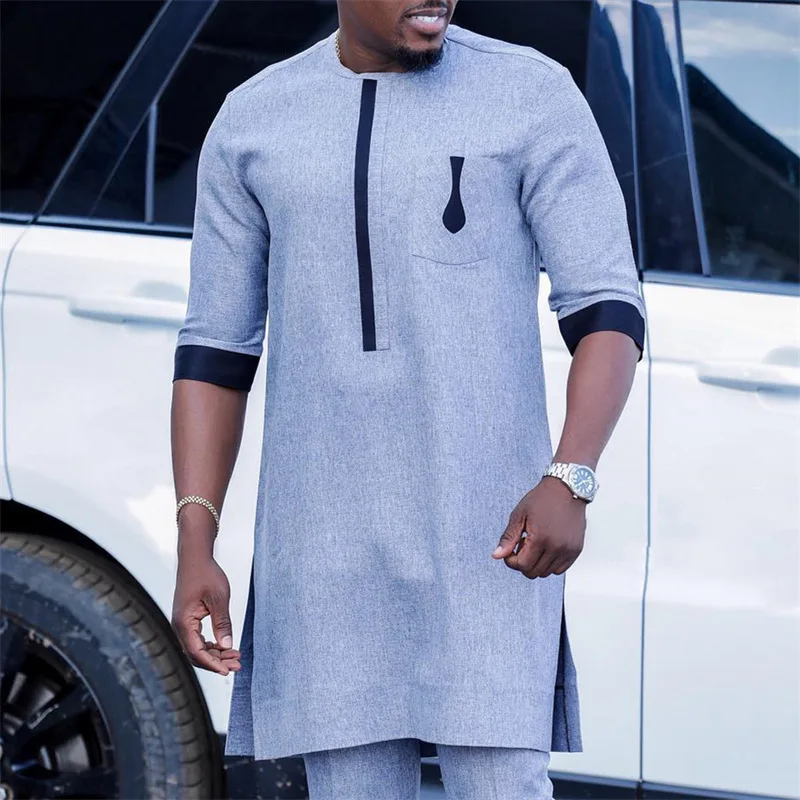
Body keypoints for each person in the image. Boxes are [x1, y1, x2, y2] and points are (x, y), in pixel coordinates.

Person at [169, 1, 646, 797]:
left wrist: (572, 476)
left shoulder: (530, 94)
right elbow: (216, 348)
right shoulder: (253, 120)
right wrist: (195, 540)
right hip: (321, 554)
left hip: (492, 541)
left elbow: (608, 308)